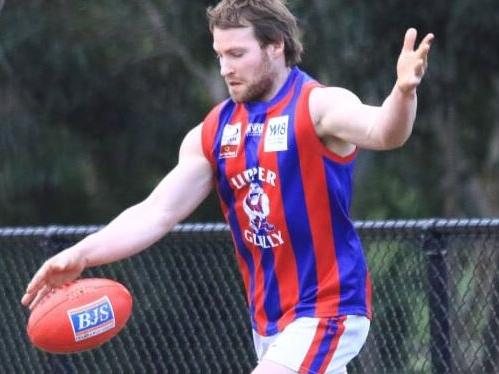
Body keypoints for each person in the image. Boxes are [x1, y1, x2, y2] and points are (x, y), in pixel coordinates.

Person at [21, 0, 434, 373]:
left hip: (328, 309)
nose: (225, 68)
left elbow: (384, 132)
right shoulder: (214, 130)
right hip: (269, 321)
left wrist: (403, 93)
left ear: (276, 46)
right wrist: (81, 252)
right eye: (220, 55)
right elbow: (156, 211)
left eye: (237, 54)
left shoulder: (317, 106)